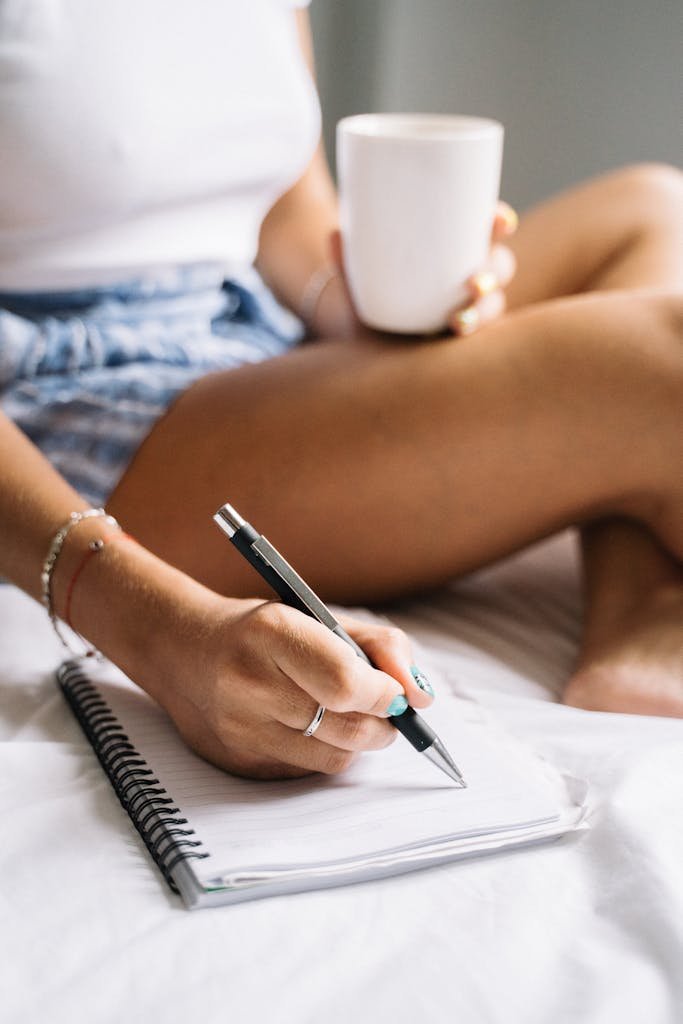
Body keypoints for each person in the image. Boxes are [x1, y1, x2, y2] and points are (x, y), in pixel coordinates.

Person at [1, 1, 681, 782]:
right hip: (70, 411)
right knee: (661, 366)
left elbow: (287, 214)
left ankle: (644, 604)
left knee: (652, 210)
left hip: (241, 333)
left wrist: (367, 307)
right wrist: (150, 625)